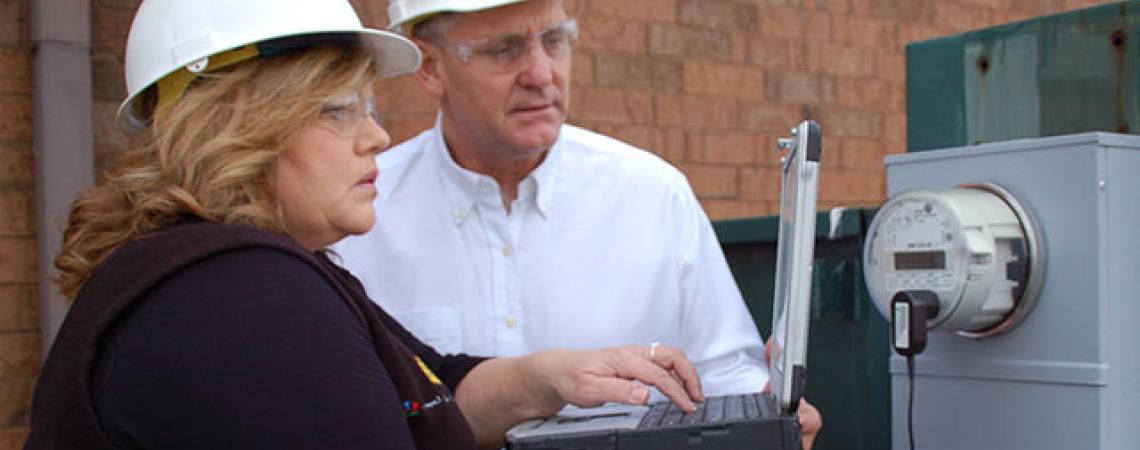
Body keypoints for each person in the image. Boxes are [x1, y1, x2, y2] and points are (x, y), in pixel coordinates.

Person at [22, 1, 705, 449]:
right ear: (243, 127)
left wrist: (554, 378)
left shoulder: (237, 273)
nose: (377, 136)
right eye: (339, 111)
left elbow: (434, 392)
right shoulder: (240, 299)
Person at [332, 0, 820, 447]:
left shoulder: (652, 194)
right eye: (504, 50)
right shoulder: (354, 215)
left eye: (554, 40)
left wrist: (768, 411)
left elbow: (723, 377)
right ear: (431, 67)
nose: (542, 74)